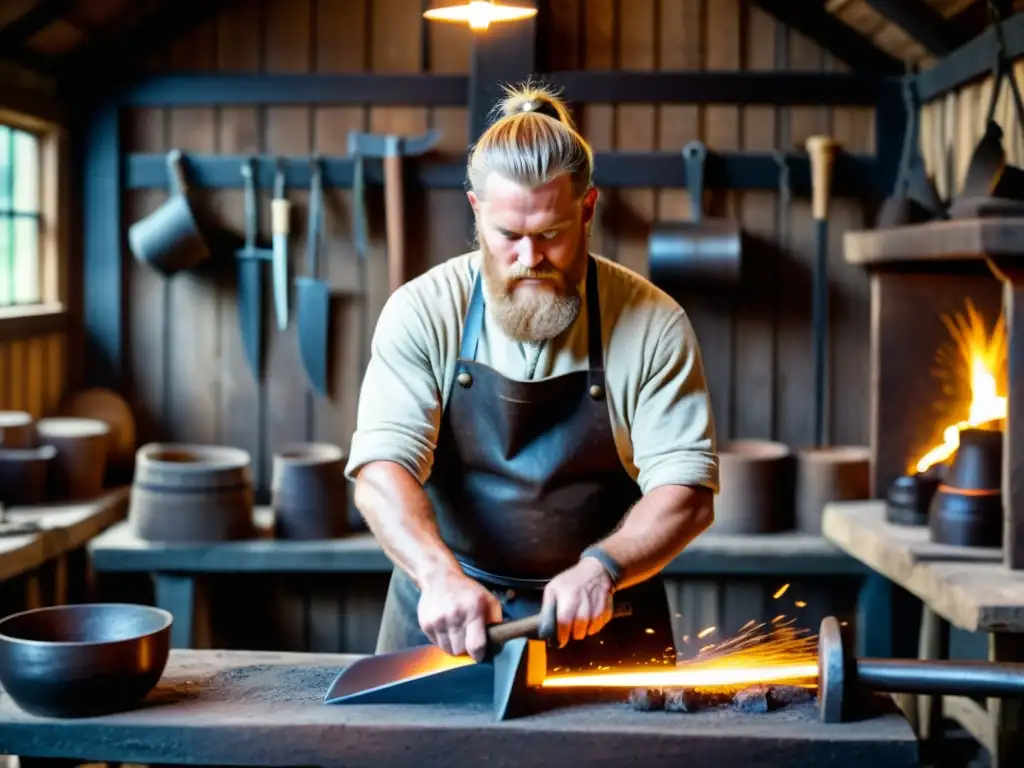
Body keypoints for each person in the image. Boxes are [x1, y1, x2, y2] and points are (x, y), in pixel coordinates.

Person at [345, 82, 718, 671]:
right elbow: (380, 471)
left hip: (604, 617)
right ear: (476, 211)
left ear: (588, 208)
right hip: (448, 623)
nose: (528, 258)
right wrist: (439, 575)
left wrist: (604, 567)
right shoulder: (423, 311)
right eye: (507, 236)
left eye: (550, 235)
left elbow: (687, 492)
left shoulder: (652, 323)